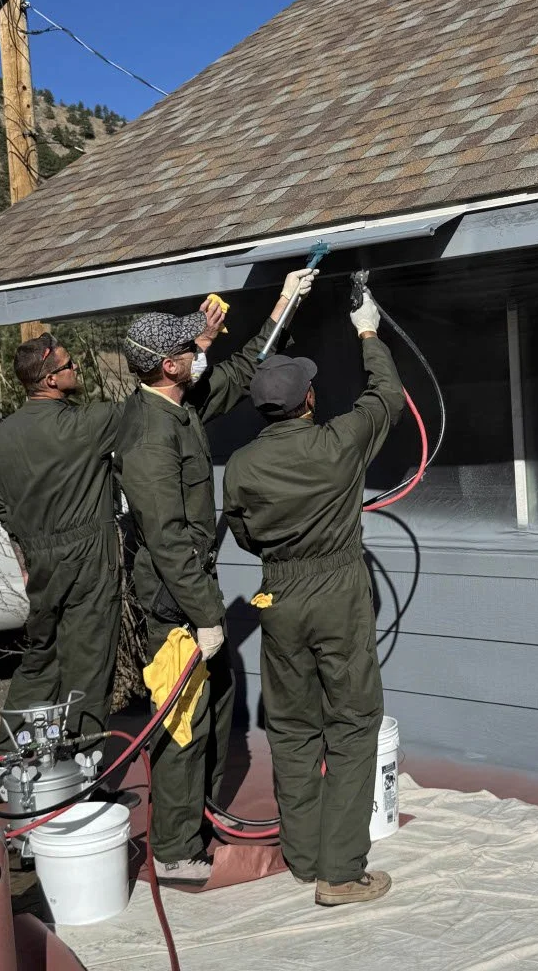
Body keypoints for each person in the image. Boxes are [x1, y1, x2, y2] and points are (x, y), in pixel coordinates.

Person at [114, 269, 316, 886]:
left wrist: (283, 304)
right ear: (167, 368)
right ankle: (175, 848)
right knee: (183, 722)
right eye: (187, 349)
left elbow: (242, 366)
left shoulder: (177, 402)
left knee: (215, 700)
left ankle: (194, 816)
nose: (199, 352)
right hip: (177, 603)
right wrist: (205, 614)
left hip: (191, 596)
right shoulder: (150, 437)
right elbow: (169, 539)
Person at [222, 290, 404, 907]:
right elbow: (387, 398)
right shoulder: (338, 443)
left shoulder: (241, 467)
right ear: (307, 399)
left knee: (294, 727)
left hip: (279, 593)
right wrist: (368, 334)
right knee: (353, 723)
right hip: (336, 590)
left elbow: (244, 534)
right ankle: (340, 871)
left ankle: (302, 857)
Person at [0, 333, 124, 775]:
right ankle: (82, 773)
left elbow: (0, 506)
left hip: (41, 561)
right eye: (68, 363)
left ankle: (6, 759)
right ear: (50, 378)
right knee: (88, 663)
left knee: (42, 657)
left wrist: (25, 555)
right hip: (87, 558)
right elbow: (150, 409)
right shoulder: (86, 425)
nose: (75, 367)